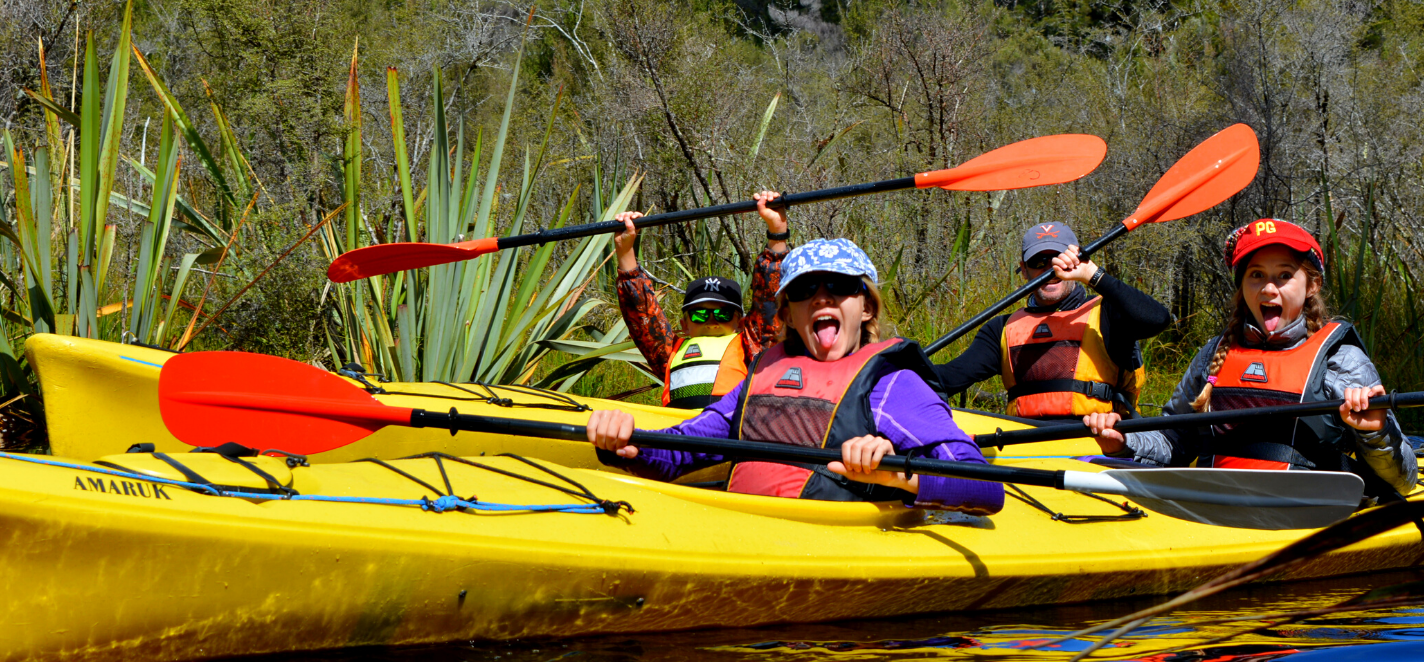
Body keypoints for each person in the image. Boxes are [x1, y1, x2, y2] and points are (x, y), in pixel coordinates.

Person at [587, 238, 1004, 514]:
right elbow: (684, 451)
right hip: (744, 536)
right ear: (788, 314)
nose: (822, 297)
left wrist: (895, 474)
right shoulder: (764, 372)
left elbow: (985, 487)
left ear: (868, 308)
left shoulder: (893, 384)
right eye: (804, 292)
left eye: (840, 286)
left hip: (835, 550)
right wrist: (626, 444)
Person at [1083, 218, 1418, 498]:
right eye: (1256, 274)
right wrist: (1124, 443)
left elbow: (1403, 480)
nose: (1269, 288)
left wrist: (1376, 430)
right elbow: (1174, 441)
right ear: (1242, 286)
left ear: (1312, 285)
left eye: (1285, 275)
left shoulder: (1342, 360)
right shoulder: (1214, 354)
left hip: (1308, 512)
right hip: (1217, 504)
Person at [932, 221, 1171, 419]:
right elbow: (950, 378)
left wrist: (1092, 275)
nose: (1050, 270)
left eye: (1058, 259)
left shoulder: (1109, 313)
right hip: (1027, 449)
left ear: (1076, 261)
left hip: (1099, 445)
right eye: (1039, 262)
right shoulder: (1002, 329)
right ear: (1024, 270)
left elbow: (1157, 319)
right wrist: (901, 367)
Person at [613, 191, 789, 409]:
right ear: (684, 325)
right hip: (681, 436)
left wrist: (777, 232)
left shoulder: (749, 346)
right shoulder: (670, 353)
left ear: (740, 323)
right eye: (700, 314)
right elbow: (642, 315)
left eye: (723, 313)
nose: (711, 320)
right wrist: (625, 249)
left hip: (728, 436)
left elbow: (769, 299)